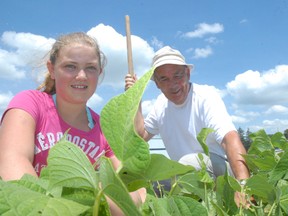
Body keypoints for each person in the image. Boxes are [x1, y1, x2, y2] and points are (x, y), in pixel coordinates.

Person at [0, 32, 146, 215]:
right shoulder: (30, 104)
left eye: (91, 68)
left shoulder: (104, 129)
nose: (82, 76)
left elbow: (125, 188)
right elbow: (12, 165)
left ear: (99, 73)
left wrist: (135, 101)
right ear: (52, 69)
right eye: (70, 66)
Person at [125, 46, 250, 206]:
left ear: (188, 74)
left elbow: (229, 138)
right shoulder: (160, 105)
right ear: (156, 83)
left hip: (219, 172)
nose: (173, 85)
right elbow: (140, 138)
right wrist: (135, 98)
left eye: (177, 76)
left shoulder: (206, 96)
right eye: (164, 79)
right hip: (183, 174)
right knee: (150, 181)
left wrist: (243, 186)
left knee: (190, 162)